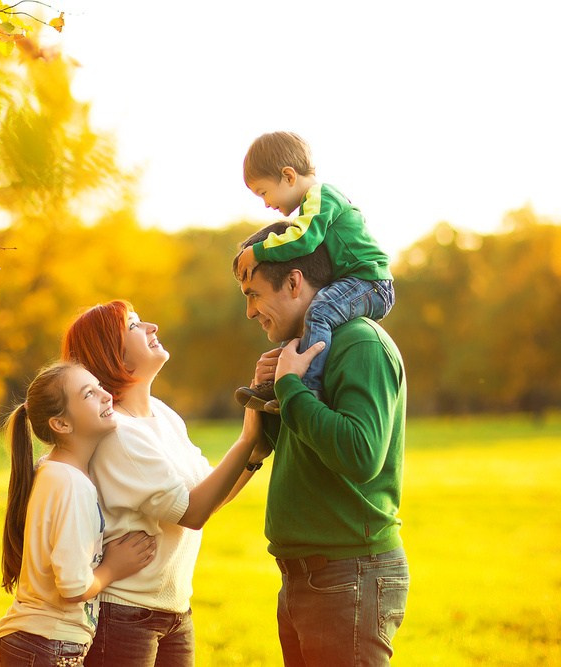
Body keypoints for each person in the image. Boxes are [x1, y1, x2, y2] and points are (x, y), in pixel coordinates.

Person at [234, 221, 409, 666]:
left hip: (347, 575)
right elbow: (299, 446)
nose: (250, 312)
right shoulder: (306, 349)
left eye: (254, 294)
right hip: (303, 578)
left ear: (294, 282)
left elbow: (360, 453)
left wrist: (292, 388)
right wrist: (270, 393)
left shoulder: (359, 343)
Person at [62, 301, 271, 667]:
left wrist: (253, 457)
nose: (152, 327)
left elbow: (207, 494)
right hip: (124, 615)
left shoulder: (163, 414)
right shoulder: (117, 434)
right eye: (134, 325)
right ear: (114, 356)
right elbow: (192, 513)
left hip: (174, 612)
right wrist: (246, 437)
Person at [0, 362, 158, 667]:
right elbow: (72, 586)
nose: (105, 395)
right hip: (47, 645)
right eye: (88, 394)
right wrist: (113, 568)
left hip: (35, 642)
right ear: (62, 424)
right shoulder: (71, 484)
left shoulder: (52, 471)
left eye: (98, 386)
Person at [236, 131, 395, 413]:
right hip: (354, 281)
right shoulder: (314, 204)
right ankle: (277, 381)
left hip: (370, 282)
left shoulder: (322, 197)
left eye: (264, 192)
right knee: (303, 322)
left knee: (319, 311)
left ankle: (308, 386)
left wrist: (257, 252)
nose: (266, 203)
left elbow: (304, 239)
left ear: (288, 176)